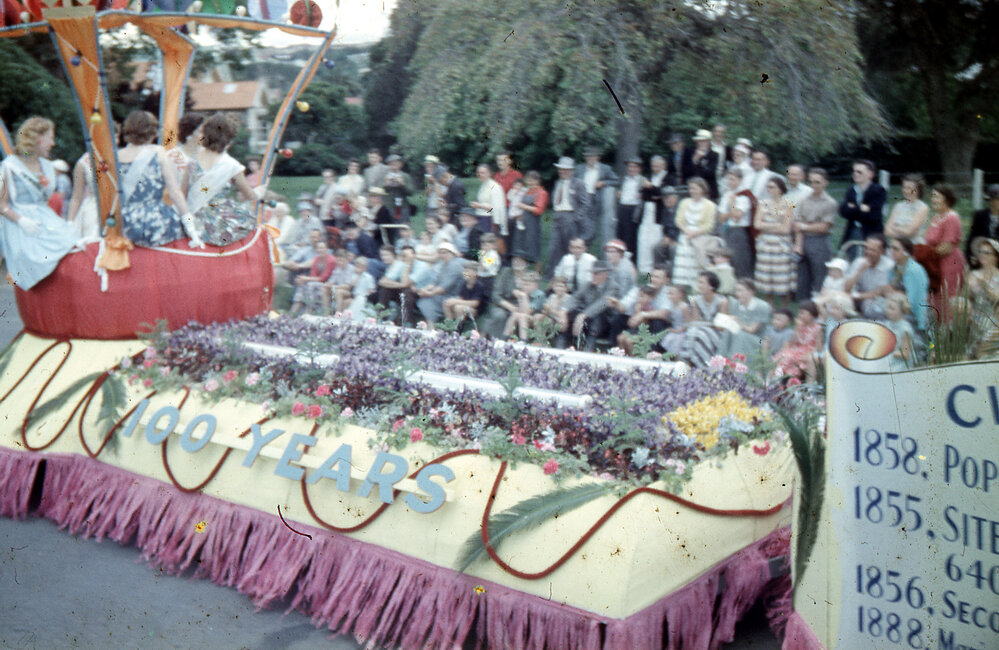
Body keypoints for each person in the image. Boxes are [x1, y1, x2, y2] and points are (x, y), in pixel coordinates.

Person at [0, 116, 78, 289]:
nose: (53, 143)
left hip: (44, 218)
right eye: (50, 138)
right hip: (20, 224)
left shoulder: (47, 165)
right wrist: (21, 220)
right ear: (38, 139)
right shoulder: (9, 166)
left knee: (72, 242)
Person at [117, 110, 197, 248]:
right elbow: (175, 193)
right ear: (152, 131)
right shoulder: (158, 152)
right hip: (155, 221)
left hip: (124, 222)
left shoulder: (115, 156)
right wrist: (190, 223)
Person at [187, 113, 262, 247]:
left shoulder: (191, 156)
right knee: (249, 219)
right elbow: (250, 195)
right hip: (213, 223)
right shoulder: (232, 165)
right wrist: (260, 191)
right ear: (229, 138)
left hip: (189, 216)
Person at [793, 167, 838, 300]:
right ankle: (803, 307)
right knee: (803, 277)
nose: (814, 185)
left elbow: (824, 227)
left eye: (817, 182)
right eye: (811, 182)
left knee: (820, 275)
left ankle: (819, 306)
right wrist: (798, 245)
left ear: (825, 183)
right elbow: (797, 225)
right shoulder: (804, 200)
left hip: (820, 242)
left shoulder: (830, 203)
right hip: (804, 240)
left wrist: (804, 226)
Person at [923, 183, 966, 320]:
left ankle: (947, 336)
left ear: (947, 199)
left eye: (937, 197)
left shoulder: (952, 218)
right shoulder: (936, 217)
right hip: (935, 264)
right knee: (934, 299)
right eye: (932, 196)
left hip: (949, 264)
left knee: (947, 298)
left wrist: (924, 256)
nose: (933, 200)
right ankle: (934, 338)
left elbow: (946, 247)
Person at [545, 157, 591, 278]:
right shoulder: (557, 183)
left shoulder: (578, 183)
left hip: (570, 216)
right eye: (560, 169)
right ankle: (552, 274)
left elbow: (585, 203)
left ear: (571, 171)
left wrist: (577, 217)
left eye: (566, 170)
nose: (563, 172)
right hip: (557, 216)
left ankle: (572, 274)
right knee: (554, 247)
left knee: (570, 247)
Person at [754, 177, 795, 305]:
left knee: (783, 276)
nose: (769, 189)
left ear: (780, 189)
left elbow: (786, 229)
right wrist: (777, 225)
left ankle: (785, 307)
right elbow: (757, 224)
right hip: (766, 244)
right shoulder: (762, 203)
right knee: (767, 276)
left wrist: (767, 225)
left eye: (772, 187)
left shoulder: (788, 204)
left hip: (781, 244)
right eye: (768, 187)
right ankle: (769, 306)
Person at [671, 177, 717, 287]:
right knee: (682, 265)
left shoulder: (710, 205)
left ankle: (695, 288)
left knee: (696, 265)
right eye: (691, 188)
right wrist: (686, 231)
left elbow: (709, 225)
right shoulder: (684, 202)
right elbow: (678, 220)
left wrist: (695, 233)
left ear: (702, 189)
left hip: (700, 238)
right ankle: (680, 288)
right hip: (685, 236)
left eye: (695, 188)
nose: (692, 191)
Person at [567, 260, 621, 351]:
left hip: (607, 321)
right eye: (592, 273)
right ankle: (564, 349)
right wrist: (563, 310)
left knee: (596, 319)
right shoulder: (589, 284)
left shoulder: (613, 286)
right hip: (588, 319)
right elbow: (575, 297)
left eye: (597, 274)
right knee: (569, 316)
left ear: (605, 274)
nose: (593, 276)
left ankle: (588, 351)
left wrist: (583, 315)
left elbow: (602, 303)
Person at [839, 159, 887, 258]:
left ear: (870, 174)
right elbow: (843, 212)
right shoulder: (851, 190)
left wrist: (853, 209)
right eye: (854, 171)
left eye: (859, 172)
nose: (855, 174)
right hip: (853, 232)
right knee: (854, 262)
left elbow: (874, 216)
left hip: (872, 234)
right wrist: (861, 208)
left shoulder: (878, 190)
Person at [574, 148, 618, 248]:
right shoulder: (579, 168)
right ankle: (579, 249)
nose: (590, 158)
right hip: (580, 200)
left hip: (594, 200)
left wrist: (603, 183)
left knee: (592, 230)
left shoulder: (605, 168)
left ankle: (582, 248)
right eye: (588, 156)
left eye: (593, 156)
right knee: (579, 226)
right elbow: (572, 181)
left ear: (598, 157)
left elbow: (616, 180)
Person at [719, 278, 772, 361]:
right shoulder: (735, 304)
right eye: (736, 291)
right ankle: (720, 359)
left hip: (761, 340)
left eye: (740, 290)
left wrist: (738, 322)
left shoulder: (762, 306)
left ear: (751, 291)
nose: (737, 294)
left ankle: (735, 362)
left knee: (740, 335)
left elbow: (752, 330)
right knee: (728, 331)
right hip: (740, 336)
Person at [415, 242, 466, 327]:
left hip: (452, 295)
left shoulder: (455, 265)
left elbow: (444, 287)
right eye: (440, 253)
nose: (442, 255)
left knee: (426, 302)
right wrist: (425, 289)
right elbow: (436, 283)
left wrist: (429, 293)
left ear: (452, 253)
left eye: (445, 253)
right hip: (441, 293)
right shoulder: (444, 264)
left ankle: (432, 327)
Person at [844, 234, 894, 320]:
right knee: (840, 301)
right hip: (859, 297)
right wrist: (859, 271)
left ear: (882, 251)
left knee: (869, 306)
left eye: (873, 250)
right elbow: (846, 288)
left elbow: (879, 293)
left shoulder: (888, 266)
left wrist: (856, 296)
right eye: (867, 248)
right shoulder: (859, 262)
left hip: (877, 301)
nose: (868, 252)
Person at [885, 237, 930, 331]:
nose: (891, 251)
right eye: (890, 248)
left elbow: (912, 301)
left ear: (906, 252)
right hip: (896, 307)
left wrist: (893, 293)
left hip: (912, 315)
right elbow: (887, 290)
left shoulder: (914, 270)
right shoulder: (894, 268)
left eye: (895, 249)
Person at [772, 301, 822, 381]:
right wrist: (796, 328)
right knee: (783, 357)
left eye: (803, 313)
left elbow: (818, 347)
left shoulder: (817, 328)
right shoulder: (800, 326)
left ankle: (791, 381)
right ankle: (777, 379)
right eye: (799, 313)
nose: (800, 315)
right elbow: (792, 342)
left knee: (790, 358)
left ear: (812, 314)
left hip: (808, 351)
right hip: (796, 349)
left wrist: (809, 354)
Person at [718, 168, 754, 278]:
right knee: (727, 260)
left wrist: (732, 203)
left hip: (739, 232)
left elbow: (737, 217)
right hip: (727, 230)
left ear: (740, 180)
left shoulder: (744, 195)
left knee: (740, 260)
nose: (730, 182)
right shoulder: (726, 195)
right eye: (728, 179)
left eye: (733, 179)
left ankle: (743, 285)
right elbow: (721, 218)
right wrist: (731, 211)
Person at [966, 237, 999, 358]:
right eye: (980, 251)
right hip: (975, 320)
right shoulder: (973, 274)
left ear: (995, 257)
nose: (982, 255)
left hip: (994, 322)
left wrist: (985, 287)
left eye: (987, 253)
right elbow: (966, 299)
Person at [637, 155, 669, 274]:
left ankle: (655, 276)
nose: (655, 168)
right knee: (643, 245)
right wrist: (654, 192)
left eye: (657, 166)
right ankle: (646, 276)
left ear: (663, 166)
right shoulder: (650, 177)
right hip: (646, 216)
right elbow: (645, 196)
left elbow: (664, 194)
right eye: (653, 166)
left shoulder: (668, 177)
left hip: (658, 218)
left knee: (653, 246)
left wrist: (651, 188)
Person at [508, 170, 547, 265]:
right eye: (528, 180)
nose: (529, 183)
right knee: (520, 247)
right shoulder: (526, 191)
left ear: (537, 181)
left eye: (532, 181)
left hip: (532, 223)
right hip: (522, 222)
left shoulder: (541, 193)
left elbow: (539, 210)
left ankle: (538, 273)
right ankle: (522, 269)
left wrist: (523, 206)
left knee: (533, 247)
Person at [164, 111, 204, 195]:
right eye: (201, 131)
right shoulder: (171, 156)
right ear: (189, 132)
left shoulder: (208, 155)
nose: (205, 135)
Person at [65, 150, 100, 242]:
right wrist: (70, 222)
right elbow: (76, 197)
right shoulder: (83, 162)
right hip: (93, 210)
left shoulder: (121, 157)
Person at [885, 174, 929, 244]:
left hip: (913, 246)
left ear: (917, 190)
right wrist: (903, 230)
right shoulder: (898, 206)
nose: (905, 190)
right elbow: (887, 231)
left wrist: (895, 228)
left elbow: (910, 232)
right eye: (904, 187)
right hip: (896, 246)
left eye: (909, 188)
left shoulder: (922, 208)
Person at [503, 270, 546, 340]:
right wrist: (522, 297)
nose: (525, 287)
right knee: (515, 315)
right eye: (524, 284)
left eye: (528, 284)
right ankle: (504, 338)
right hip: (527, 316)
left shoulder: (539, 295)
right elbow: (520, 310)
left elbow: (528, 312)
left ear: (536, 286)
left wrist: (524, 297)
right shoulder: (522, 292)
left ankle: (523, 341)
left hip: (538, 318)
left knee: (522, 316)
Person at [615, 157, 645, 255]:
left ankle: (631, 261)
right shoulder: (625, 179)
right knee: (620, 235)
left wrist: (642, 195)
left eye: (634, 166)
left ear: (639, 168)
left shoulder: (642, 180)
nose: (631, 169)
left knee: (631, 237)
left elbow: (647, 195)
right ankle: (620, 258)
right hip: (622, 208)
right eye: (629, 166)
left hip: (634, 210)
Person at [470, 163, 507, 242]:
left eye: (483, 173)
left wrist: (479, 205)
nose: (480, 175)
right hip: (479, 217)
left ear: (489, 173)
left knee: (487, 243)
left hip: (489, 219)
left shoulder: (495, 187)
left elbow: (496, 208)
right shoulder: (483, 185)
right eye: (478, 172)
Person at [883, 293, 917, 371]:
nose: (887, 310)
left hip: (900, 363)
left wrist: (887, 353)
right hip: (889, 359)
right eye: (887, 307)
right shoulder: (887, 324)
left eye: (892, 308)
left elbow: (905, 354)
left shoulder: (905, 329)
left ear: (901, 311)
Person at [967, 184, 999, 265]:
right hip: (982, 260)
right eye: (997, 199)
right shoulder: (980, 215)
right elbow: (972, 238)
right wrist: (972, 256)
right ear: (990, 201)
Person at [684, 129, 720, 199]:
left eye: (704, 141)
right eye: (699, 141)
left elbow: (710, 173)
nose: (701, 143)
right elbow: (687, 172)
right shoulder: (691, 153)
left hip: (709, 190)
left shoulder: (714, 155)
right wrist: (695, 160)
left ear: (709, 142)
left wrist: (696, 166)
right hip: (694, 190)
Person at [383, 154, 413, 224]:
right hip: (389, 206)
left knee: (403, 226)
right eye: (390, 165)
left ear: (401, 165)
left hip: (402, 206)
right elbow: (381, 191)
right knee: (390, 228)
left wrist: (402, 184)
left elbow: (411, 192)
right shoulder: (385, 176)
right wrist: (386, 185)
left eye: (395, 164)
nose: (393, 167)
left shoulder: (405, 176)